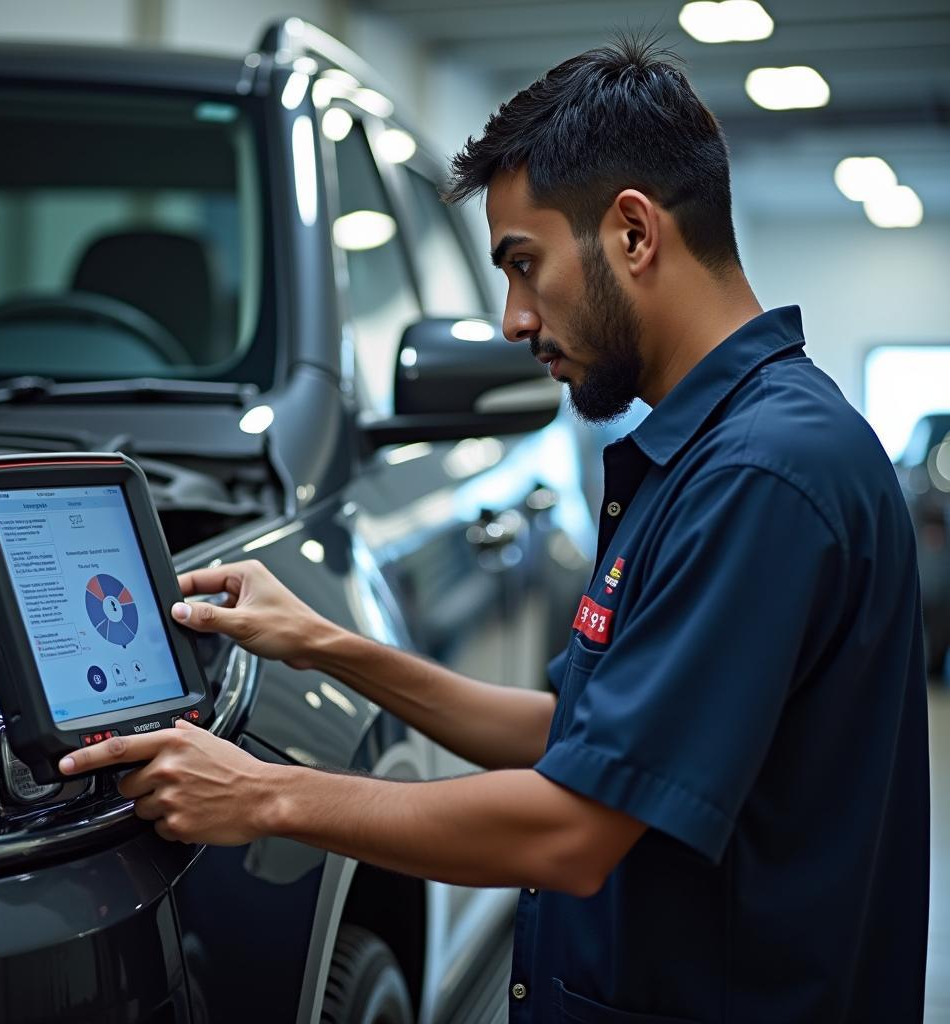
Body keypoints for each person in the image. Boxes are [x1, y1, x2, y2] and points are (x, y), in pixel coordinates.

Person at [61, 35, 930, 1022]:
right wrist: (324, 643)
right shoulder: (714, 451)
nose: (512, 320)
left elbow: (572, 827)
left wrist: (263, 795)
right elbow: (577, 741)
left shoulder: (761, 475)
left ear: (633, 233)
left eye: (525, 264)